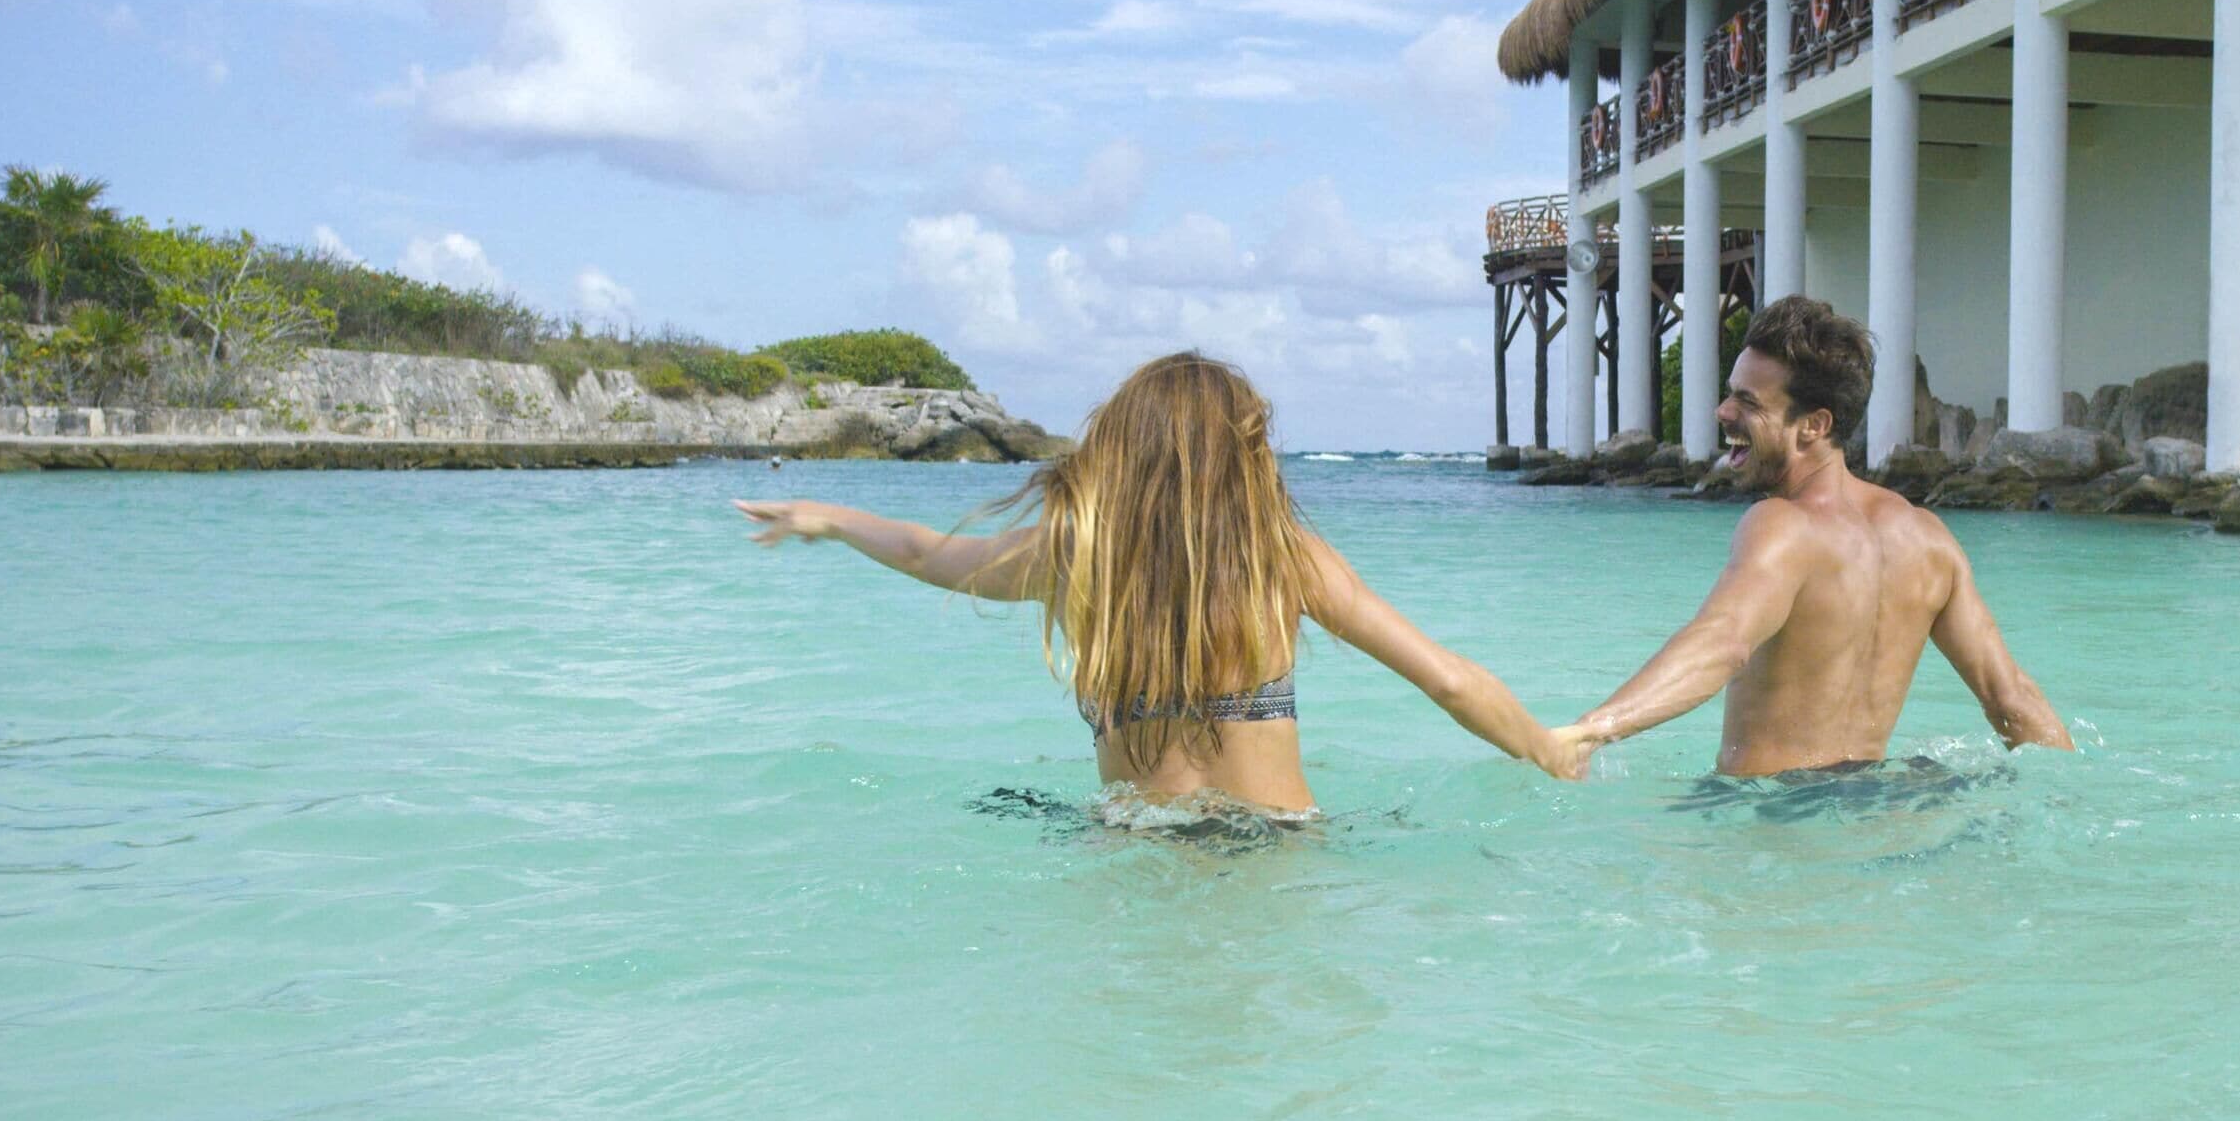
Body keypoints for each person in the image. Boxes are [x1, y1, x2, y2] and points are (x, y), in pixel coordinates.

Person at [735, 352, 1585, 816]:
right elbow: (1445, 677)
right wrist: (1548, 750)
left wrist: (832, 517)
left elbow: (928, 554)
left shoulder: (1079, 554)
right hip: (1275, 852)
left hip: (1134, 849)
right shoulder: (1281, 560)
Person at [1555, 296, 2072, 777]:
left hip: (1773, 820)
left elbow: (1724, 641)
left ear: (1814, 426)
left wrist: (1590, 732)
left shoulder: (1781, 523)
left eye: (1747, 402)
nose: (1723, 412)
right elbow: (2012, 700)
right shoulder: (1929, 538)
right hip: (1871, 807)